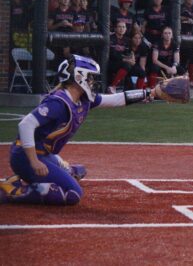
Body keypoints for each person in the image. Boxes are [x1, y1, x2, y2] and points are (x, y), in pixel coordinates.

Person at [0, 55, 155, 205]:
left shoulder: (82, 99)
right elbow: (25, 124)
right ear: (79, 77)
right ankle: (13, 189)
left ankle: (53, 172)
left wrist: (150, 92)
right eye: (90, 77)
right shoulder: (59, 102)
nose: (92, 81)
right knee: (72, 193)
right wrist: (33, 162)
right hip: (25, 157)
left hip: (45, 153)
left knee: (76, 171)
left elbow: (116, 99)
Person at [107, 21, 133, 93]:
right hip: (110, 62)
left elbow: (127, 53)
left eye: (123, 27)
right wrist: (125, 59)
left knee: (141, 72)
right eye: (119, 27)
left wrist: (130, 59)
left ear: (126, 29)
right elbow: (112, 54)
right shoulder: (110, 38)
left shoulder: (127, 40)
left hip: (122, 63)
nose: (121, 29)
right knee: (127, 65)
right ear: (115, 28)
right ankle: (113, 87)